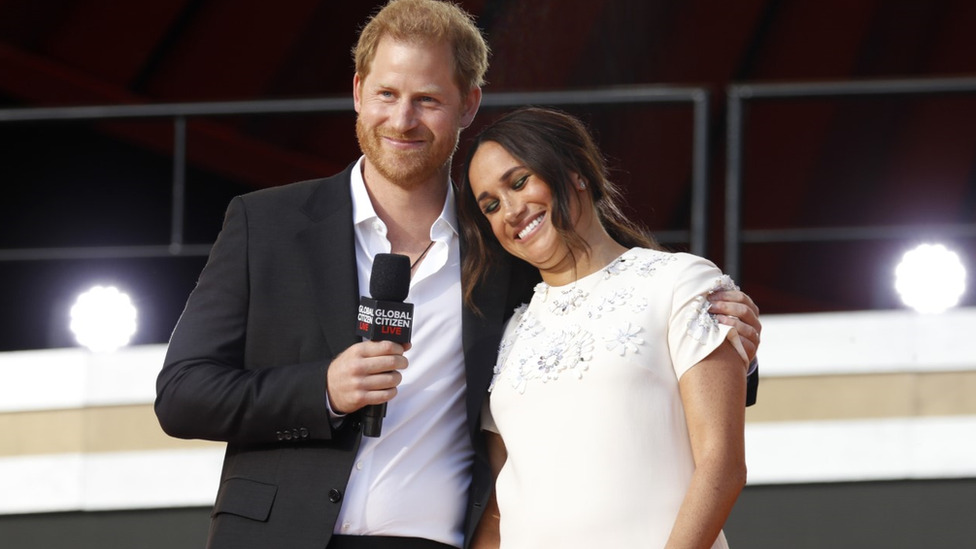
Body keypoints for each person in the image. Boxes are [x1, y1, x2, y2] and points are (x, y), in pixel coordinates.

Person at [154, 1, 762, 548]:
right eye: (387, 94)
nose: (402, 119)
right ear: (359, 91)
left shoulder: (506, 247)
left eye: (428, 99)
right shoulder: (266, 223)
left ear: (468, 104)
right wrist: (322, 390)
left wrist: (731, 344)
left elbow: (607, 324)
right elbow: (182, 396)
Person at [458, 106, 751, 548]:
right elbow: (498, 507)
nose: (511, 211)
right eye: (492, 206)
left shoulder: (680, 282)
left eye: (519, 182)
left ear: (575, 172)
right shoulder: (508, 333)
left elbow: (722, 465)